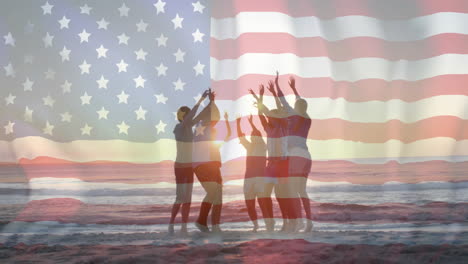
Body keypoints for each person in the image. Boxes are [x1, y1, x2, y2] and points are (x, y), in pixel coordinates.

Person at [275, 73, 313, 232]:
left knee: (292, 191)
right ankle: (308, 222)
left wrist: (277, 85)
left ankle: (298, 222)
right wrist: (294, 88)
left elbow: (282, 99)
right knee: (301, 191)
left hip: (295, 156)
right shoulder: (307, 118)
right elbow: (300, 101)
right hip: (306, 156)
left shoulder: (293, 115)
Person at [169, 90, 209, 234]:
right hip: (180, 167)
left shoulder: (189, 129)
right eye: (185, 115)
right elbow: (191, 118)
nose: (188, 117)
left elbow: (197, 117)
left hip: (189, 167)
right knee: (180, 197)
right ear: (181, 117)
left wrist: (210, 102)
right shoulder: (178, 128)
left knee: (188, 199)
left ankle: (184, 226)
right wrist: (201, 99)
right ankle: (171, 224)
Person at [192, 89, 231, 233]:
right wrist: (211, 101)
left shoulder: (205, 127)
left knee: (218, 195)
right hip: (204, 164)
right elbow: (213, 114)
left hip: (212, 164)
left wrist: (211, 102)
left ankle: (215, 226)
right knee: (213, 192)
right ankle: (201, 220)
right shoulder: (203, 126)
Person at [236, 114, 274, 232]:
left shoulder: (262, 146)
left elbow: (257, 132)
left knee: (262, 203)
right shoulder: (249, 146)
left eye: (254, 134)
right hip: (248, 179)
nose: (252, 136)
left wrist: (252, 124)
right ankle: (256, 225)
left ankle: (269, 225)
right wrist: (238, 123)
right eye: (252, 135)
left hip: (260, 179)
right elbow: (241, 137)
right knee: (249, 204)